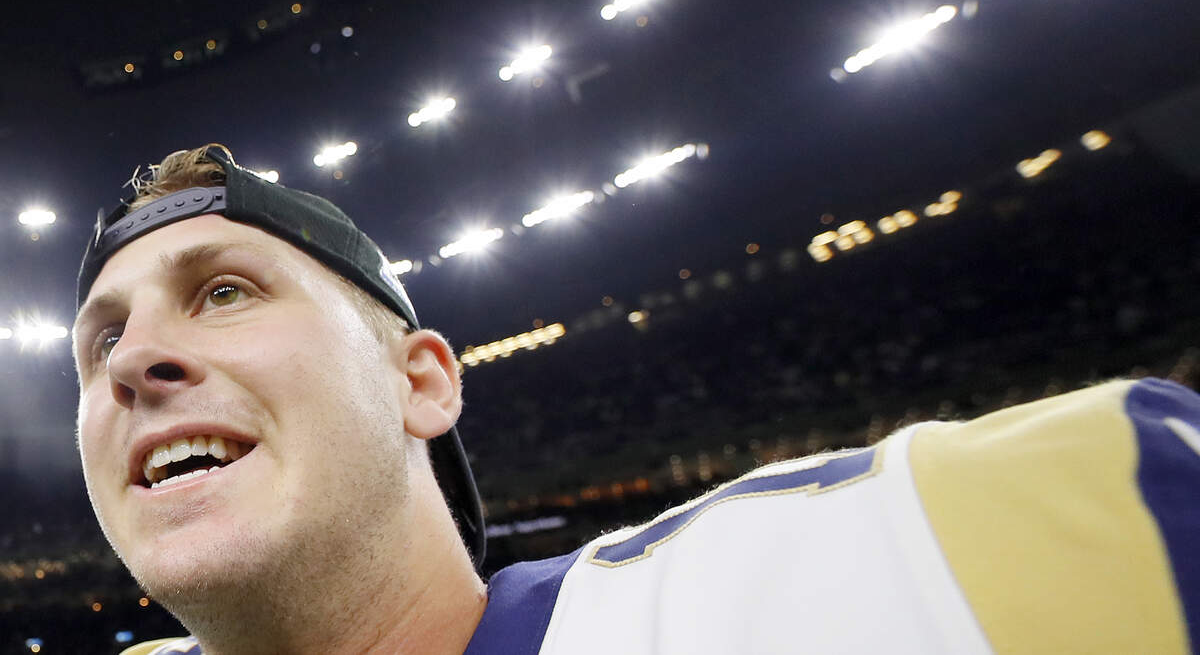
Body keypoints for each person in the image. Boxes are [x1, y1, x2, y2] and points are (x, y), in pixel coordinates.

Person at [74, 145, 1199, 655]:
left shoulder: (945, 549)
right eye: (102, 339)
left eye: (224, 292)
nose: (134, 360)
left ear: (421, 381)